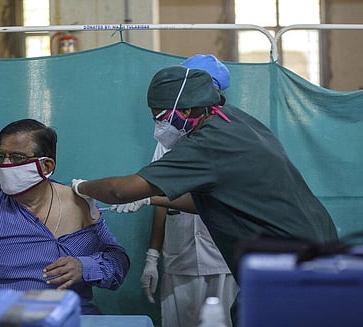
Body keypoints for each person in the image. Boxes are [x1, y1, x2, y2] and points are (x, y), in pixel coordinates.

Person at [71, 63, 339, 323]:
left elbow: (119, 191)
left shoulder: (208, 144)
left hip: (286, 266)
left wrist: (81, 187)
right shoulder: (233, 120)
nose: (158, 125)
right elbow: (217, 200)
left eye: (160, 116)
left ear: (186, 111)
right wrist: (150, 198)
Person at [0, 118, 130, 315]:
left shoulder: (80, 204)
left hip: (73, 317)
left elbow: (118, 263)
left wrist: (85, 267)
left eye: (17, 158)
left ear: (46, 166)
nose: (5, 165)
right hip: (7, 318)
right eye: (2, 157)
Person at [135, 55, 238, 327]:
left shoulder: (229, 138)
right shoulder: (168, 139)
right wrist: (152, 255)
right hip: (179, 258)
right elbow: (162, 196)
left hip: (223, 259)